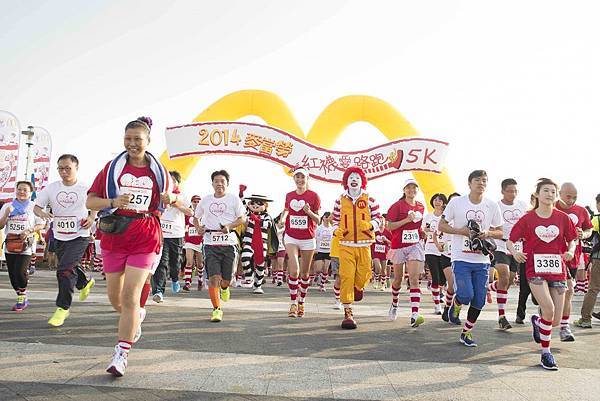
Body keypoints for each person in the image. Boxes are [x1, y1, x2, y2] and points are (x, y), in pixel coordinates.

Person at [87, 116, 175, 377]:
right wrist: (113, 200)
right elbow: (90, 202)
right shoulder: (112, 169)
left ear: (148, 142)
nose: (132, 143)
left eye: (138, 139)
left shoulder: (159, 172)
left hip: (146, 235)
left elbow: (177, 198)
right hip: (115, 235)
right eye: (128, 139)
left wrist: (173, 197)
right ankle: (137, 315)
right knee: (116, 299)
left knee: (130, 296)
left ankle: (121, 354)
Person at [508, 178, 577, 370]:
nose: (550, 194)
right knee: (548, 309)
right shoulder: (527, 219)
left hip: (557, 270)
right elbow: (511, 240)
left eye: (553, 192)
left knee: (554, 320)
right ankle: (546, 354)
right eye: (545, 191)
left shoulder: (563, 218)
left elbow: (572, 240)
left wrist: (570, 251)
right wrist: (515, 252)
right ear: (537, 194)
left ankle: (537, 322)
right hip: (535, 269)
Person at [438, 170, 503, 347]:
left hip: (482, 260)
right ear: (469, 183)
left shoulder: (492, 205)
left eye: (484, 180)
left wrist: (487, 233)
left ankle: (466, 332)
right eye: (477, 180)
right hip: (461, 258)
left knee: (479, 300)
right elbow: (441, 225)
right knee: (466, 294)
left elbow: (501, 231)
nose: (481, 183)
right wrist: (462, 232)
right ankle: (456, 304)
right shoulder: (457, 202)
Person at [34, 154, 96, 327]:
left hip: (80, 235)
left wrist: (92, 218)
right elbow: (37, 207)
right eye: (60, 168)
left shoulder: (85, 187)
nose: (64, 171)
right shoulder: (51, 188)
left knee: (64, 270)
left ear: (76, 167)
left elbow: (94, 205)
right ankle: (84, 283)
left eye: (68, 168)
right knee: (69, 267)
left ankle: (62, 308)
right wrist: (43, 214)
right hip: (60, 234)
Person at [331, 167, 381, 329]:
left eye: (357, 177)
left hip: (364, 244)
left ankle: (357, 287)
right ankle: (348, 311)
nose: (354, 180)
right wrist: (336, 230)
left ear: (362, 181)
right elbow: (334, 220)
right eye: (350, 177)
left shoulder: (370, 199)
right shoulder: (340, 200)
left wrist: (371, 226)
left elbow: (379, 219)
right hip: (345, 245)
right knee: (346, 276)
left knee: (364, 274)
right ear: (346, 181)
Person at [193, 170, 246, 322]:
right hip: (210, 243)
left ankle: (224, 288)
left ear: (227, 184)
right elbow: (195, 218)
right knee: (213, 278)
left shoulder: (234, 199)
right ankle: (217, 309)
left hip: (229, 244)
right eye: (216, 181)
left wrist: (230, 225)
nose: (219, 184)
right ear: (212, 183)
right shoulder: (206, 200)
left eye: (222, 181)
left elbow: (242, 218)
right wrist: (198, 228)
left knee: (226, 279)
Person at [278, 168, 321, 318]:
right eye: (297, 177)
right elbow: (285, 210)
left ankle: (301, 301)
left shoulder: (314, 196)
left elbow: (318, 220)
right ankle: (293, 303)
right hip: (291, 236)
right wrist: (283, 219)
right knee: (294, 271)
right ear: (294, 179)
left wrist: (308, 212)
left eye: (302, 177)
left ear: (307, 179)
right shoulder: (289, 195)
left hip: (308, 239)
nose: (300, 180)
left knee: (304, 273)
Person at [555, 182, 593, 341]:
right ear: (560, 194)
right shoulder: (551, 207)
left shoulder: (581, 211)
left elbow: (589, 229)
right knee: (558, 292)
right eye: (568, 196)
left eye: (574, 197)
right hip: (552, 256)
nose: (571, 200)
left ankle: (563, 325)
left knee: (568, 291)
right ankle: (549, 318)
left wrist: (582, 234)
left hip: (572, 257)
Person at [489, 178, 529, 330]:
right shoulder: (496, 206)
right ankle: (502, 316)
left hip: (517, 247)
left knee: (508, 282)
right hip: (501, 244)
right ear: (503, 191)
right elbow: (491, 227)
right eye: (510, 191)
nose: (513, 194)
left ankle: (490, 287)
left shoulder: (522, 205)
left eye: (515, 191)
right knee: (504, 277)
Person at [387, 178, 426, 327]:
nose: (412, 190)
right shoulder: (397, 206)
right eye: (408, 188)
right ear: (404, 190)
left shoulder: (421, 207)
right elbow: (390, 226)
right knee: (398, 279)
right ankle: (395, 303)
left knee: (414, 279)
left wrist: (421, 232)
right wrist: (406, 219)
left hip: (414, 245)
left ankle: (415, 314)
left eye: (414, 188)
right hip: (398, 246)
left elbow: (417, 226)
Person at [0, 181, 45, 311]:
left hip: (26, 245)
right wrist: (6, 214)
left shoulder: (34, 206)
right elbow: (1, 225)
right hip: (10, 244)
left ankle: (22, 296)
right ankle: (21, 295)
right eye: (19, 189)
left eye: (25, 190)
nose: (22, 192)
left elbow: (41, 224)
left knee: (20, 271)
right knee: (12, 274)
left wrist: (29, 230)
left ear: (30, 192)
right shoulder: (8, 206)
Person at [152, 171, 192, 302]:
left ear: (178, 183)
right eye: (169, 180)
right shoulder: (158, 194)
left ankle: (175, 278)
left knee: (175, 263)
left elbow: (190, 212)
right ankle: (158, 291)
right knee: (161, 262)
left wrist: (174, 202)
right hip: (160, 233)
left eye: (174, 180)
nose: (171, 182)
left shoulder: (183, 195)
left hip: (176, 233)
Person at [574, 193, 600, 328]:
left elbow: (588, 234)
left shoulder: (597, 219)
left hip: (598, 258)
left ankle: (585, 319)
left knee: (593, 289)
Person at [240, 194, 275, 294]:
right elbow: (242, 208)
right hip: (249, 240)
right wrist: (241, 194)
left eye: (259, 203)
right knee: (245, 258)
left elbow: (268, 225)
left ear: (265, 205)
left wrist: (257, 220)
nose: (255, 205)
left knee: (260, 264)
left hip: (261, 242)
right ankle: (249, 276)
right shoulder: (248, 214)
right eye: (252, 203)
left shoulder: (266, 216)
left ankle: (258, 285)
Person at [423, 193, 448, 315]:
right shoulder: (428, 216)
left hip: (444, 250)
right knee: (436, 277)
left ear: (444, 203)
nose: (437, 202)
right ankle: (437, 305)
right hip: (430, 249)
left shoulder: (447, 216)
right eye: (435, 200)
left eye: (440, 200)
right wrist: (428, 231)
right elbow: (424, 230)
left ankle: (439, 293)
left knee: (443, 278)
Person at [183, 195, 204, 292]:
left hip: (200, 241)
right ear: (191, 202)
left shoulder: (204, 214)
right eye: (194, 201)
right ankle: (187, 283)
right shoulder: (187, 214)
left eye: (198, 201)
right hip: (189, 241)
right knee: (189, 262)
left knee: (200, 264)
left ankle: (200, 279)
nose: (196, 203)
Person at [314, 212, 334, 292]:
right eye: (329, 217)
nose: (331, 218)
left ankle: (322, 285)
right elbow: (315, 238)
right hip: (320, 250)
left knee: (325, 269)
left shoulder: (332, 228)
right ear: (324, 218)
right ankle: (317, 276)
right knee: (318, 269)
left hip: (328, 250)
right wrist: (315, 248)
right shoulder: (319, 228)